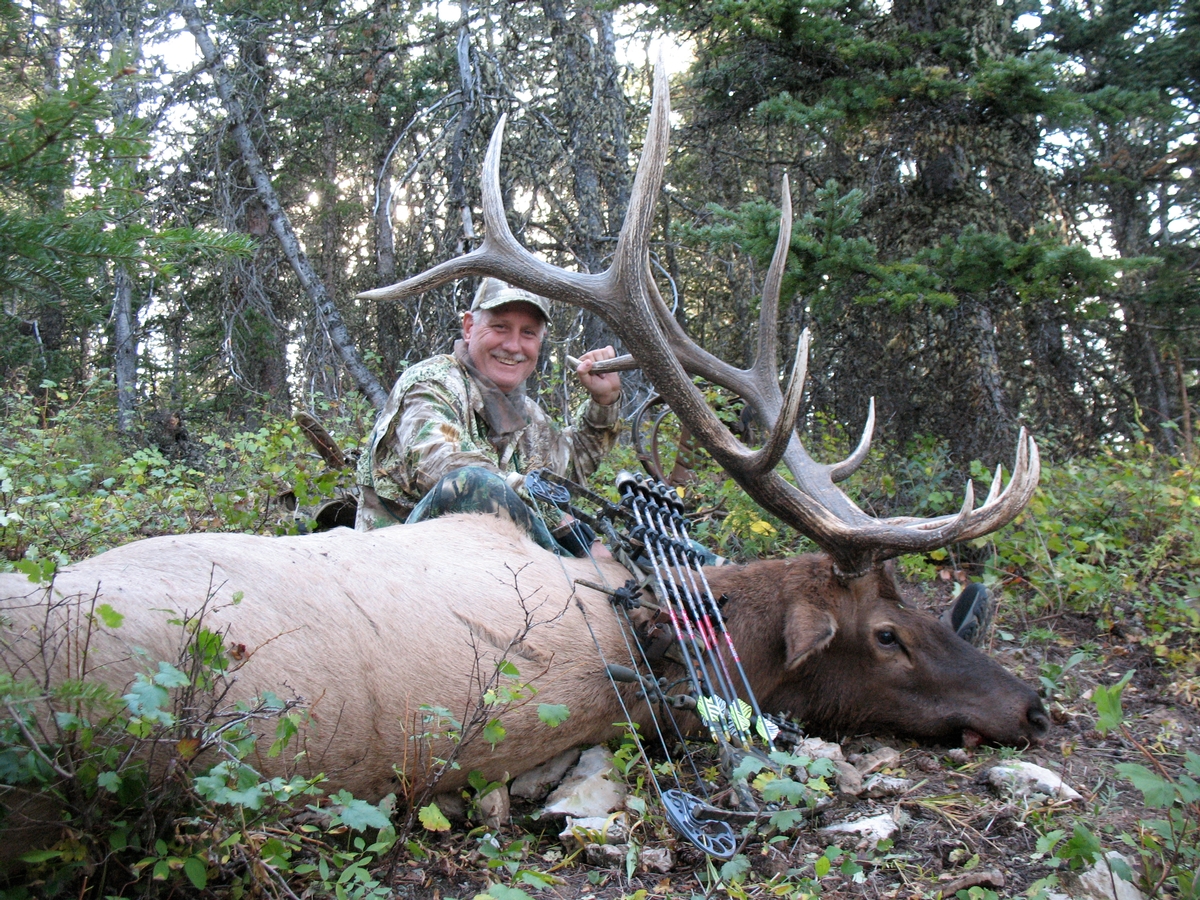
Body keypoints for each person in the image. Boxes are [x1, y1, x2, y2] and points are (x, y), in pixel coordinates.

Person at [354, 278, 622, 556]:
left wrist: (604, 401)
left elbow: (568, 471)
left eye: (528, 332)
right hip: (402, 565)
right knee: (473, 482)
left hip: (486, 568)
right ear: (469, 328)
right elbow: (455, 472)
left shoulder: (526, 412)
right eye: (500, 327)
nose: (513, 346)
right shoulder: (432, 384)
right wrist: (571, 532)